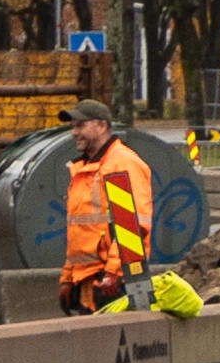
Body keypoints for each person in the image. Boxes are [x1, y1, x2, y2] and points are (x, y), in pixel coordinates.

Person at [59, 100, 155, 316]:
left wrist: (114, 272)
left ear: (102, 125)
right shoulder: (84, 168)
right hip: (89, 281)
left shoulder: (121, 163)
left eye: (81, 126)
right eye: (73, 127)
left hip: (113, 281)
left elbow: (133, 226)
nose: (74, 133)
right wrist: (67, 278)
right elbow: (79, 231)